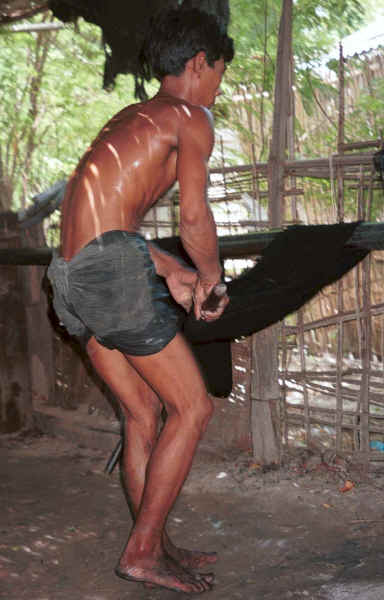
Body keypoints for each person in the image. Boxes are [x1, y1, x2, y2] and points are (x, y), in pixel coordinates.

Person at [47, 7, 234, 594]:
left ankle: (155, 542)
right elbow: (195, 216)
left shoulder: (133, 117)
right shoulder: (190, 116)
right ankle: (143, 551)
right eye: (220, 74)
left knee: (142, 413)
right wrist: (210, 277)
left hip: (69, 272)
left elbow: (105, 223)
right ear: (200, 63)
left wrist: (172, 269)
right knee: (194, 409)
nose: (218, 88)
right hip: (108, 274)